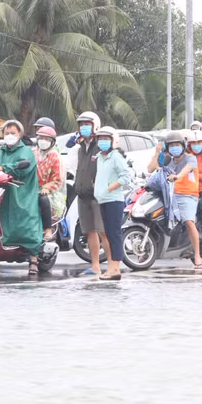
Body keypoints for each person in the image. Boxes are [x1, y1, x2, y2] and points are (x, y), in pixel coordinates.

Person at [0, 120, 43, 276]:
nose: (9, 135)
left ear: (20, 134)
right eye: (7, 133)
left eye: (13, 133)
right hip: (4, 193)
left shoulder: (26, 152)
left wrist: (4, 168)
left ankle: (33, 259)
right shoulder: (2, 152)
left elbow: (23, 167)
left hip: (22, 193)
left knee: (27, 223)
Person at [66, 111, 111, 276]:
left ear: (95, 126)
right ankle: (95, 266)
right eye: (81, 125)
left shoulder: (101, 145)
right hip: (83, 194)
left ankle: (112, 266)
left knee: (103, 231)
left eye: (87, 124)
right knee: (90, 232)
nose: (84, 127)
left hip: (98, 196)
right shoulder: (80, 148)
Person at [93, 126, 133, 280]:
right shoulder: (100, 157)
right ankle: (112, 268)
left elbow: (125, 177)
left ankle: (115, 268)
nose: (102, 142)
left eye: (106, 139)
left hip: (114, 200)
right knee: (109, 235)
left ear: (113, 141)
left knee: (114, 234)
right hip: (103, 199)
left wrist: (110, 187)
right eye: (100, 139)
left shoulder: (116, 157)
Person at [161, 131, 202, 268]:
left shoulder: (190, 158)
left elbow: (187, 169)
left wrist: (177, 176)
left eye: (177, 145)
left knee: (188, 222)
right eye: (171, 145)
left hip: (187, 195)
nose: (174, 147)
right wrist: (157, 153)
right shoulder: (168, 160)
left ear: (183, 146)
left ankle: (197, 255)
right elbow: (154, 170)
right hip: (171, 195)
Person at [33, 125, 65, 242]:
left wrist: (46, 188)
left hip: (51, 192)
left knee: (43, 199)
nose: (43, 141)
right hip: (32, 189)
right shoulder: (33, 153)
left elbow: (58, 180)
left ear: (52, 142)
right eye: (41, 138)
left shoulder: (55, 156)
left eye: (47, 139)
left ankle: (47, 229)